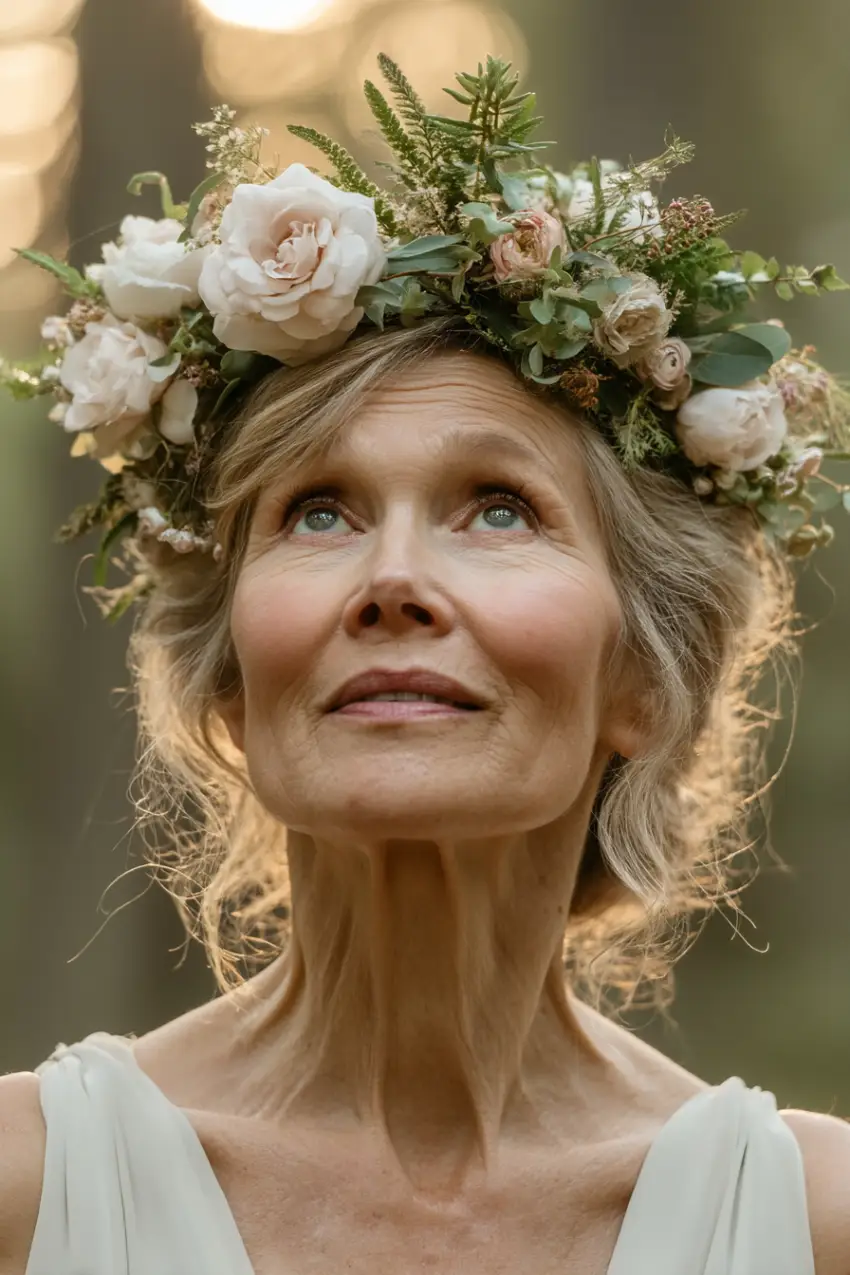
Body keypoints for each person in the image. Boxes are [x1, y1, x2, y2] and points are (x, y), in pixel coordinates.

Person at [1, 53, 850, 1275]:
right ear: (231, 684)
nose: (391, 580)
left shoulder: (809, 1226)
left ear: (643, 681)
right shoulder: (28, 1194)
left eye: (498, 509)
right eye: (319, 514)